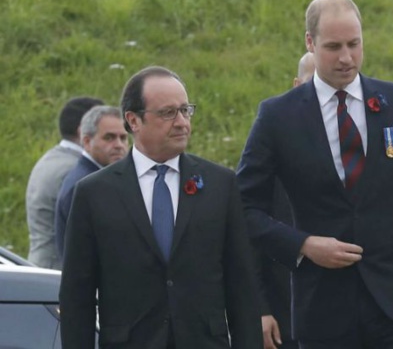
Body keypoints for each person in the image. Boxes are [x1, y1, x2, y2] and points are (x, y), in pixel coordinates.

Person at [238, 0, 393, 349]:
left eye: (354, 44)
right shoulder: (278, 117)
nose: (346, 58)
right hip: (322, 309)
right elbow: (244, 208)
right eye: (333, 46)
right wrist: (303, 245)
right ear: (310, 42)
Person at [59, 66, 262, 349]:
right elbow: (76, 296)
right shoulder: (94, 193)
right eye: (168, 113)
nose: (181, 122)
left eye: (185, 110)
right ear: (134, 120)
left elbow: (242, 287)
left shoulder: (220, 185)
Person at [258, 51, 314, 349]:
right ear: (296, 85)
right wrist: (261, 308)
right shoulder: (270, 144)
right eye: (313, 82)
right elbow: (249, 232)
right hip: (286, 314)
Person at [26, 96, 104, 269]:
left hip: (38, 264)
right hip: (58, 272)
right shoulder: (76, 171)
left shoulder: (50, 159)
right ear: (82, 132)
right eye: (106, 133)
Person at [54, 105, 128, 261]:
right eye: (109, 138)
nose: (119, 145)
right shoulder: (83, 186)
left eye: (123, 138)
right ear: (87, 141)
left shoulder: (104, 179)